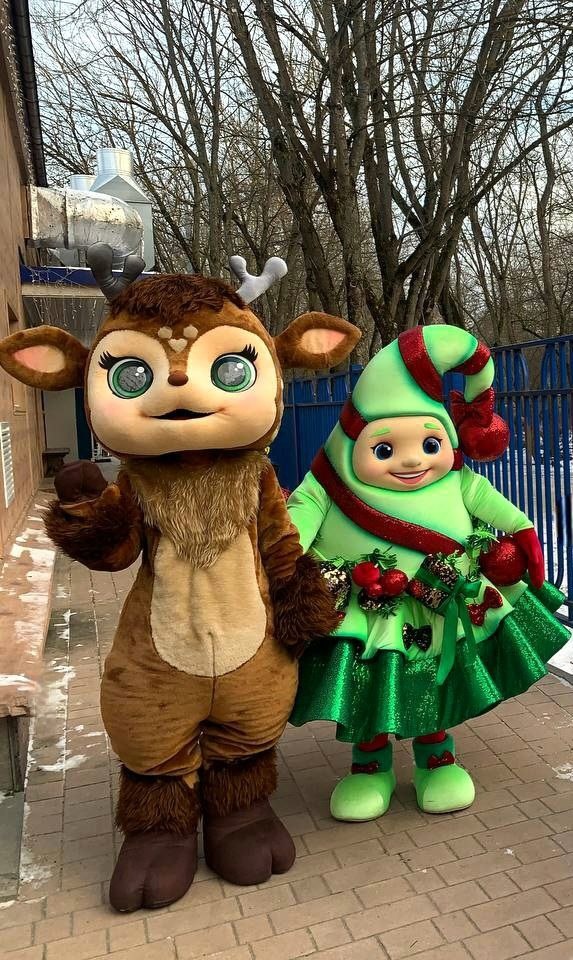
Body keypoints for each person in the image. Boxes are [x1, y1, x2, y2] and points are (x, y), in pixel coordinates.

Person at [287, 325, 569, 821]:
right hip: (366, 606)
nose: (413, 459)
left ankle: (436, 757)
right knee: (370, 682)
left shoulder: (457, 478)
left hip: (443, 598)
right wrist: (283, 552)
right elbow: (299, 517)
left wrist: (521, 528)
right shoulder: (328, 482)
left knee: (433, 681)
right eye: (384, 449)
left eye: (429, 443)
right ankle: (369, 764)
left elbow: (483, 498)